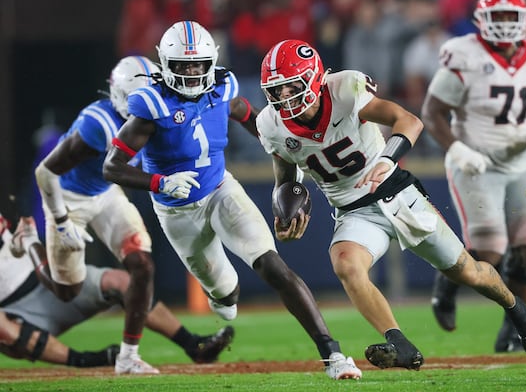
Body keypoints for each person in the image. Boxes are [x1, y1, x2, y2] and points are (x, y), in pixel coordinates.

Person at [255, 38, 526, 371]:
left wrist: (385, 159)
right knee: (346, 264)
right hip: (353, 210)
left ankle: (516, 308)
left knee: (470, 272)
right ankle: (400, 343)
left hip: (394, 191)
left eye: (290, 85)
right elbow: (286, 178)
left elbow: (408, 120)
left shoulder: (345, 89)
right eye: (276, 89)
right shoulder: (270, 124)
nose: (284, 96)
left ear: (314, 77)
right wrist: (284, 213)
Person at [102, 21, 362, 381]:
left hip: (221, 189)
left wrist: (288, 148)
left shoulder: (223, 87)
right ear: (166, 64)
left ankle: (333, 355)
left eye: (198, 64)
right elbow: (111, 167)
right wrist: (160, 181)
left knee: (272, 266)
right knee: (226, 294)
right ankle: (221, 297)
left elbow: (253, 120)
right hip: (176, 211)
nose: (193, 72)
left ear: (211, 62)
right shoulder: (151, 104)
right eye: (183, 65)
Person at [420, 0, 526, 353]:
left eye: (511, 16)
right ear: (481, 18)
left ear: (524, 19)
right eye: (497, 15)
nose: (505, 24)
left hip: (520, 162)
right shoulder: (464, 53)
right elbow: (432, 112)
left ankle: (514, 329)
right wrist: (457, 148)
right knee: (489, 251)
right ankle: (447, 285)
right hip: (475, 163)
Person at [34, 55, 165, 374]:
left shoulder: (155, 115)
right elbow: (45, 172)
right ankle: (30, 249)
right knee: (68, 291)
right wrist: (62, 221)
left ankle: (128, 357)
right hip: (69, 197)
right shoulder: (98, 125)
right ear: (121, 96)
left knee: (142, 264)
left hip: (105, 194)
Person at [1, 214, 234, 368]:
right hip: (16, 312)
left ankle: (193, 345)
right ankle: (86, 361)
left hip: (50, 284)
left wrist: (22, 240)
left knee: (123, 282)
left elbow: (16, 250)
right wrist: (30, 241)